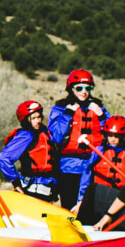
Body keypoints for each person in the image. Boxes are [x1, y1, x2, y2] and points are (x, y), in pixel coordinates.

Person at [47, 69, 110, 210]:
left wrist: (101, 116)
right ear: (71, 89)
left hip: (93, 166)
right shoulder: (61, 109)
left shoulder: (99, 108)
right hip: (69, 167)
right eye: (79, 88)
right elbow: (56, 137)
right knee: (69, 207)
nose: (84, 92)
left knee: (90, 208)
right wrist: (68, 114)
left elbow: (113, 135)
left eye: (88, 88)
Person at [74, 116, 125, 225]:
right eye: (110, 136)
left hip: (120, 199)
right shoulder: (99, 151)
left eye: (117, 136)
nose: (113, 139)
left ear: (124, 137)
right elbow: (86, 175)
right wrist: (81, 200)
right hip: (99, 198)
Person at [0, 100, 60, 202]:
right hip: (31, 188)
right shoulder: (26, 135)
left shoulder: (45, 133)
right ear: (26, 120)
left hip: (47, 186)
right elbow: (4, 158)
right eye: (34, 118)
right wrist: (15, 182)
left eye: (39, 117)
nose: (38, 121)